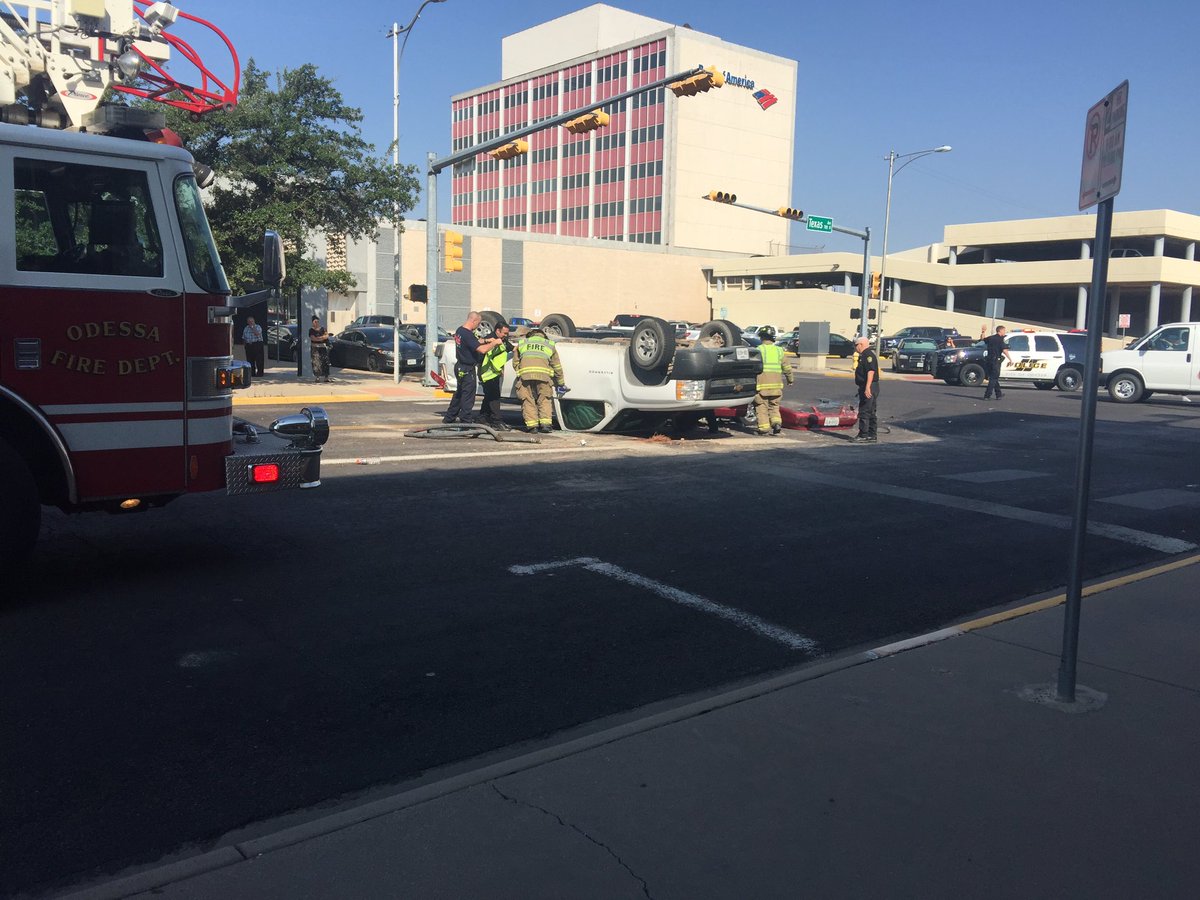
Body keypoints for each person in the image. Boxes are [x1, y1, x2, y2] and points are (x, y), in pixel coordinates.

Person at [444, 311, 501, 424]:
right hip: (467, 369)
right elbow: (482, 350)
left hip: (460, 367)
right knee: (468, 396)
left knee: (459, 393)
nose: (478, 326)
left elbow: (472, 342)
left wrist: (486, 340)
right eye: (478, 323)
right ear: (473, 321)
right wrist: (494, 343)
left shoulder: (460, 330)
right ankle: (466, 420)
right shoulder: (468, 334)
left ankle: (450, 417)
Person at [512, 325, 565, 433]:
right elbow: (557, 366)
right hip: (544, 377)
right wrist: (561, 383)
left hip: (525, 377)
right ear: (543, 336)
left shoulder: (522, 343)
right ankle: (546, 425)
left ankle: (532, 427)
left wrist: (520, 372)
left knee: (528, 400)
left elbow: (515, 362)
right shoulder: (549, 344)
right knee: (544, 399)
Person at [753, 330, 794, 435]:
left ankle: (764, 429)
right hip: (776, 386)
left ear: (762, 339)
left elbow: (752, 367)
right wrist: (790, 380)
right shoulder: (779, 351)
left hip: (762, 386)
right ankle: (776, 424)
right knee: (774, 406)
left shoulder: (758, 350)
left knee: (761, 406)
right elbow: (787, 367)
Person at [479, 320, 512, 430]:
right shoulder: (489, 339)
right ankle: (496, 420)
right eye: (504, 333)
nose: (506, 335)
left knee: (489, 396)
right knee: (494, 397)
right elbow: (483, 355)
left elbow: (512, 348)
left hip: (494, 373)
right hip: (488, 373)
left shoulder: (503, 340)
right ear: (497, 331)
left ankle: (482, 418)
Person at [851, 335, 879, 444]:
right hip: (871, 385)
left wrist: (867, 387)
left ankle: (863, 434)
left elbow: (870, 372)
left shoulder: (868, 355)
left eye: (856, 345)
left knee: (864, 410)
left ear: (861, 344)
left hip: (869, 386)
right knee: (871, 411)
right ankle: (872, 434)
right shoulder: (865, 355)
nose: (855, 347)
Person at [981, 324, 1013, 401]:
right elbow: (1004, 350)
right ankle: (987, 395)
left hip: (989, 360)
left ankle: (998, 394)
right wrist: (1010, 359)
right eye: (1004, 330)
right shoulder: (1000, 340)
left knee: (994, 377)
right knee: (993, 378)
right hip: (995, 361)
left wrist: (983, 332)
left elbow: (983, 339)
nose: (1004, 332)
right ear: (1000, 331)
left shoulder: (991, 338)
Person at [308, 315, 331, 383]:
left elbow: (327, 336)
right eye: (315, 322)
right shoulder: (311, 330)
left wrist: (319, 338)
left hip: (323, 347)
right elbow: (313, 338)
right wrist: (322, 338)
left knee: (325, 361)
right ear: (312, 322)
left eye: (317, 321)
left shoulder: (323, 329)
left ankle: (326, 377)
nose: (316, 323)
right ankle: (317, 377)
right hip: (315, 348)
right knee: (316, 362)